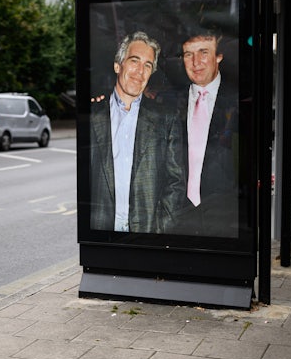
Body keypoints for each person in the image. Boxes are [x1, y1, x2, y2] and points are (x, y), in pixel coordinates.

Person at [89, 31, 185, 233]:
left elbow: (176, 182)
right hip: (101, 231)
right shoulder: (92, 116)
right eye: (134, 61)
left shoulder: (166, 118)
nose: (140, 71)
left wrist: (160, 228)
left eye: (147, 65)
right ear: (118, 65)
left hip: (148, 233)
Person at [169, 26, 239, 236]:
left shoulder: (237, 100)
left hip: (225, 211)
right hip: (179, 213)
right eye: (188, 54)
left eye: (203, 52)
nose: (195, 62)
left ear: (219, 56)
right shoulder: (170, 101)